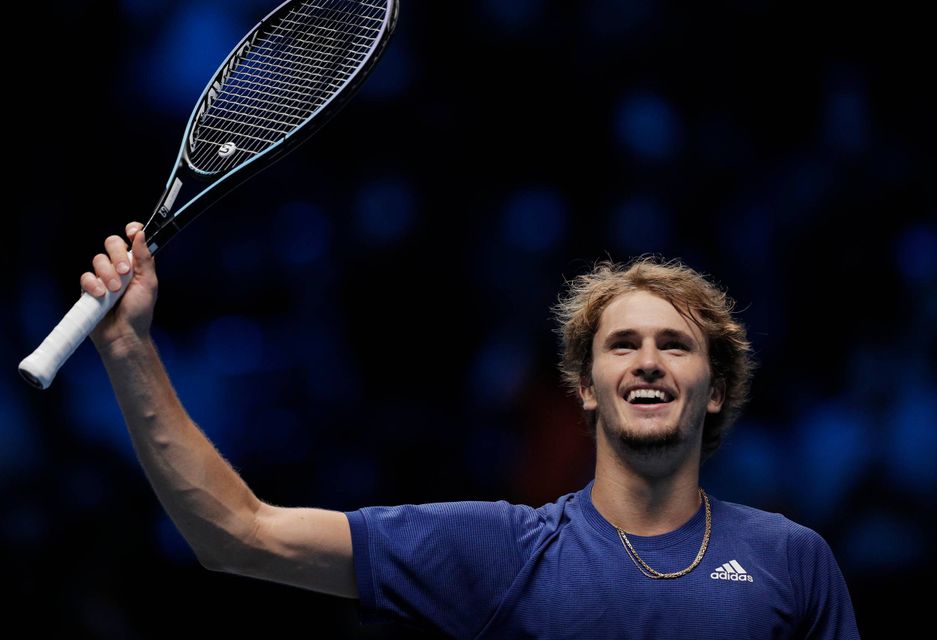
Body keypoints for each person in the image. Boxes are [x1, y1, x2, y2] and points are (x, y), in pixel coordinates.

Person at [83, 221, 861, 639]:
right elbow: (241, 534)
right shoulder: (503, 553)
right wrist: (129, 349)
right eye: (623, 345)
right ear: (584, 389)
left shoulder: (791, 561)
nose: (649, 361)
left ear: (716, 390)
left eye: (676, 346)